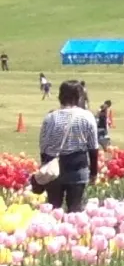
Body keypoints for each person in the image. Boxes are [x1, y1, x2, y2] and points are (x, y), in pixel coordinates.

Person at [36, 79, 100, 212]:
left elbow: (43, 146)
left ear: (60, 96)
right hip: (77, 169)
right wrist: (94, 173)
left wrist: (45, 166)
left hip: (53, 168)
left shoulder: (50, 117)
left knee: (53, 209)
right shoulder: (87, 117)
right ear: (79, 97)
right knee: (75, 210)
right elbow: (93, 148)